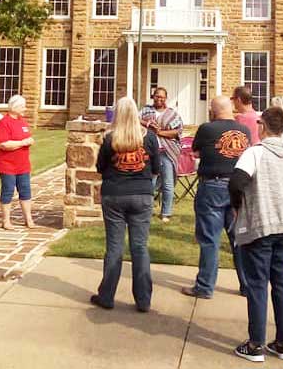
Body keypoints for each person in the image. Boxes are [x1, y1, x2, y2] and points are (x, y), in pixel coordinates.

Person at [229, 106, 283, 362]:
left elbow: (236, 183)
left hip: (262, 226)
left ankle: (256, 344)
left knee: (257, 284)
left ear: (263, 126)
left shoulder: (255, 153)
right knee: (281, 283)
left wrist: (237, 208)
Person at [91, 97, 161, 312]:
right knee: (139, 247)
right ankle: (143, 300)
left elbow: (101, 167)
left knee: (114, 246)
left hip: (114, 196)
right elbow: (156, 168)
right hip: (141, 195)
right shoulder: (149, 138)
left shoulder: (110, 138)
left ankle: (107, 296)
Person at [181, 96, 251, 299]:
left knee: (210, 239)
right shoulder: (244, 131)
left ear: (213, 111)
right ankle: (247, 285)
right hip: (238, 188)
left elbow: (195, 151)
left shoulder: (207, 129)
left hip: (212, 186)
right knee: (238, 239)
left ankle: (204, 287)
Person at [140, 87, 183, 222]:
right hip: (149, 152)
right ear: (153, 97)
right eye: (157, 96)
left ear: (166, 98)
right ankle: (146, 210)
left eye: (162, 97)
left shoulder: (172, 114)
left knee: (168, 183)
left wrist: (159, 133)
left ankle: (166, 212)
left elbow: (177, 131)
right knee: (149, 182)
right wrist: (147, 124)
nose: (159, 99)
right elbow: (134, 119)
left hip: (166, 151)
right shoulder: (146, 110)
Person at [0, 94, 36, 230]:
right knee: (8, 191)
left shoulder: (22, 121)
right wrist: (23, 143)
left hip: (23, 164)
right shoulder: (4, 123)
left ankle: (28, 219)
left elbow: (27, 137)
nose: (25, 109)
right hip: (7, 164)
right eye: (23, 106)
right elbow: (3, 144)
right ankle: (6, 221)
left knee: (26, 191)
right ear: (14, 107)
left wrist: (25, 142)